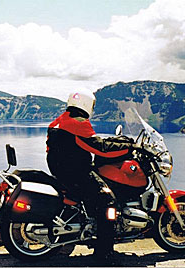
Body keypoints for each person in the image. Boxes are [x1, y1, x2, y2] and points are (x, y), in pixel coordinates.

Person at [46, 89, 135, 261]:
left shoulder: (60, 121)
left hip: (62, 170)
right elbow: (100, 148)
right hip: (76, 173)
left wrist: (117, 142)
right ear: (86, 105)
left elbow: (90, 142)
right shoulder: (78, 123)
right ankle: (104, 253)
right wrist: (128, 147)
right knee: (108, 201)